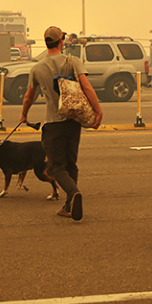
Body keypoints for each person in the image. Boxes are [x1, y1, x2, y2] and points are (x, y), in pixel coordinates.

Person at [20, 26, 103, 221]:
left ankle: (73, 194)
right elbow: (87, 87)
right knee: (71, 164)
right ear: (61, 41)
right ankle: (68, 206)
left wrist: (24, 115)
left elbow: (29, 96)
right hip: (73, 121)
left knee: (56, 167)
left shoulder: (37, 68)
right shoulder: (72, 61)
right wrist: (98, 110)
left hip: (53, 123)